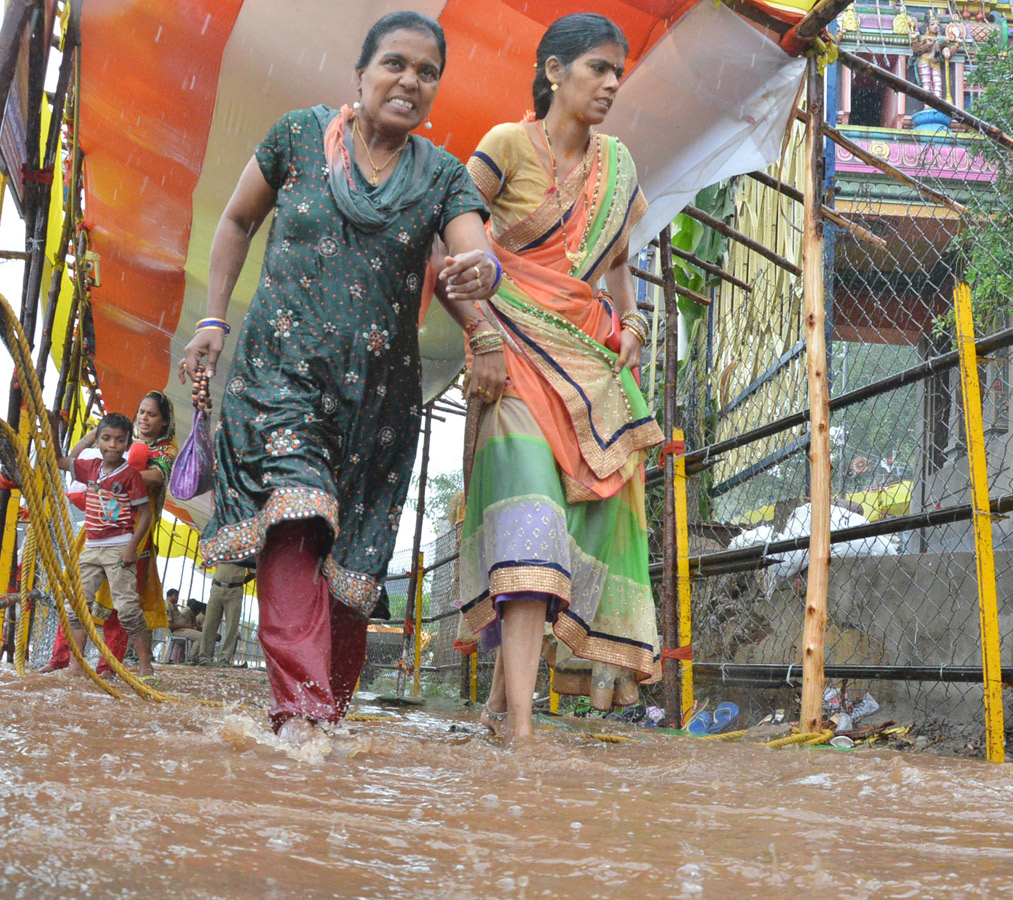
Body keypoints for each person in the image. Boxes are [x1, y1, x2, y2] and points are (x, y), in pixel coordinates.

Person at [180, 12, 497, 745]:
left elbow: (469, 249)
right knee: (294, 521)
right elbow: (234, 222)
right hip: (278, 379)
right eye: (395, 64)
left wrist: (485, 268)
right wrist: (212, 320)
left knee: (352, 576)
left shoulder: (442, 176)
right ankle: (303, 715)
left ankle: (328, 714)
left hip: (379, 405)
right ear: (360, 74)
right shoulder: (296, 136)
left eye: (427, 73)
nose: (409, 82)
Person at [456, 14, 664, 743]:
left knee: (576, 534)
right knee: (530, 528)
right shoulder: (505, 145)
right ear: (553, 71)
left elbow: (617, 265)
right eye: (598, 68)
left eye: (618, 72)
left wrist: (634, 326)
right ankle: (520, 731)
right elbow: (451, 234)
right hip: (508, 357)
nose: (611, 83)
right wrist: (480, 332)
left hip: (587, 370)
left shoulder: (621, 166)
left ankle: (497, 712)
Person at [39, 392, 177, 676]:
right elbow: (69, 460)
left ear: (164, 422)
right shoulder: (118, 445)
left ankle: (109, 667)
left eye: (152, 414)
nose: (144, 418)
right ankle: (62, 660)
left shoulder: (161, 452)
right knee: (77, 599)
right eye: (141, 412)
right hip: (94, 535)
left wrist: (120, 472)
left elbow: (156, 479)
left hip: (132, 539)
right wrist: (91, 438)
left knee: (121, 606)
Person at [53, 412, 155, 679]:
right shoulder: (91, 468)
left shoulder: (131, 475)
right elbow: (62, 460)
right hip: (92, 547)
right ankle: (77, 665)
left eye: (120, 440)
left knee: (127, 609)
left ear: (128, 443)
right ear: (97, 440)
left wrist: (131, 547)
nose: (113, 445)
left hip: (118, 547)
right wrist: (57, 431)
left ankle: (146, 666)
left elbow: (145, 514)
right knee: (77, 605)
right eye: (106, 439)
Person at [199, 563, 251, 666]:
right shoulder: (220, 549)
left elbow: (253, 571)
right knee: (209, 623)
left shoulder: (246, 552)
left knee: (232, 626)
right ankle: (205, 658)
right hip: (217, 587)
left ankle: (224, 658)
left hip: (235, 590)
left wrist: (239, 582)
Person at [164, 589, 202, 663]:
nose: (178, 598)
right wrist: (187, 627)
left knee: (200, 635)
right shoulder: (167, 606)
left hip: (182, 629)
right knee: (201, 637)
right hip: (178, 631)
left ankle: (192, 658)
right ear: (174, 595)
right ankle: (191, 659)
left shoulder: (173, 605)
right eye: (177, 596)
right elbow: (169, 625)